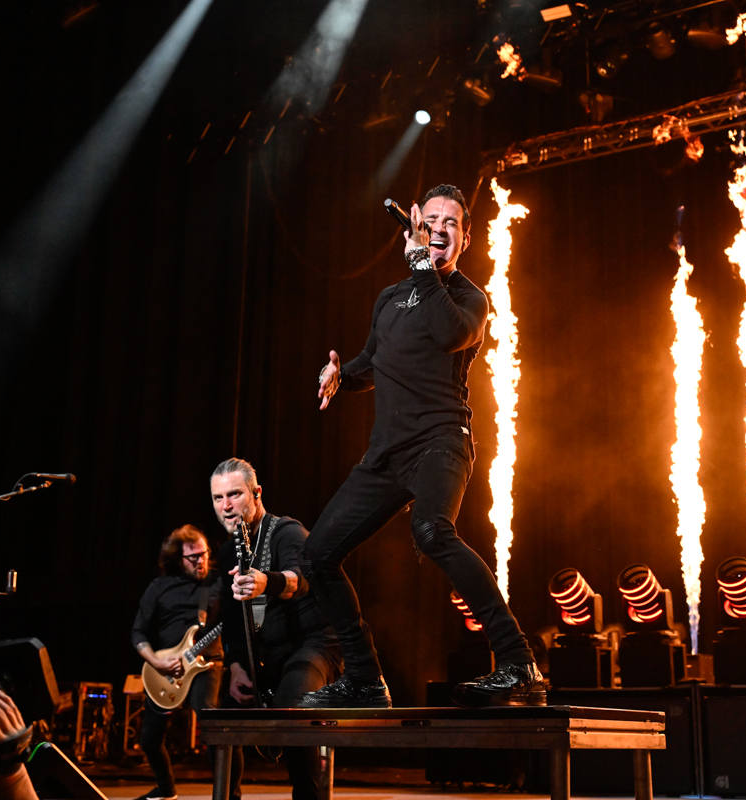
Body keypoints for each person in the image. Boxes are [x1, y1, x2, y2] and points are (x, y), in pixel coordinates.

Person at [302, 184, 544, 709]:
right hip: (386, 454)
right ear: (416, 227)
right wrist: (341, 375)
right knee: (316, 555)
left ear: (464, 239)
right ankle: (365, 680)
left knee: (432, 531)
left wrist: (422, 268)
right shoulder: (388, 299)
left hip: (441, 440)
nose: (438, 228)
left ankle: (518, 661)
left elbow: (448, 335)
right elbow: (372, 362)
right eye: (430, 219)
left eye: (450, 223)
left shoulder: (468, 298)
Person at [211, 458, 342, 800]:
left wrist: (264, 581)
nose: (226, 506)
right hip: (266, 655)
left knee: (289, 714)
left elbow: (299, 581)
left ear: (256, 493)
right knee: (219, 723)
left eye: (235, 494)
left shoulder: (287, 532)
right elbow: (233, 618)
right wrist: (236, 665)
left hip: (314, 646)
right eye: (217, 498)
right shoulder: (228, 552)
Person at [131, 525, 237, 800]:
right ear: (179, 559)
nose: (201, 560)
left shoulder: (218, 582)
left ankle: (229, 795)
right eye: (193, 557)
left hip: (207, 662)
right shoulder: (159, 587)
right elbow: (138, 632)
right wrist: (157, 662)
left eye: (204, 554)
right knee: (150, 739)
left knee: (212, 724)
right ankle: (166, 789)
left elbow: (238, 617)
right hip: (163, 669)